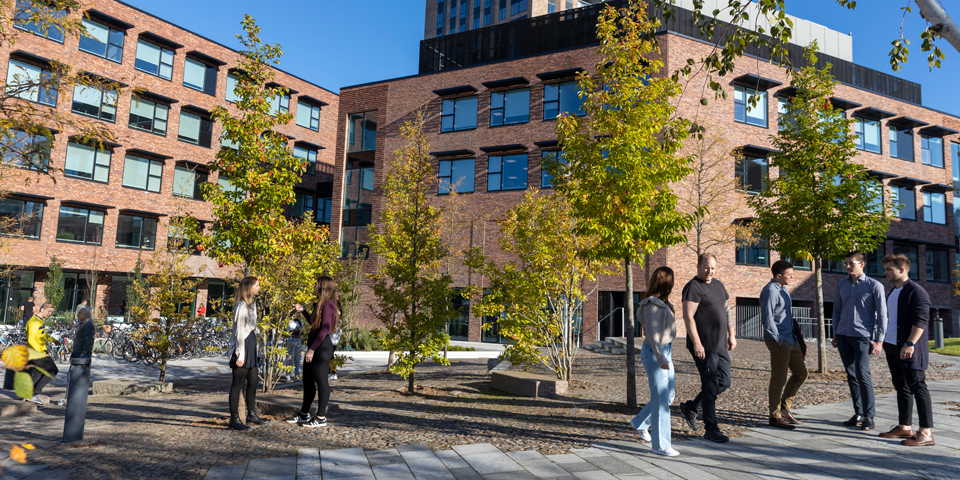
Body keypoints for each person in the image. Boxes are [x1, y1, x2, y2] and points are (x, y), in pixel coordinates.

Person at [679, 253, 736, 443]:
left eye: (712, 268)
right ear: (698, 266)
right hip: (704, 345)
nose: (709, 271)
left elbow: (726, 309)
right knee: (710, 385)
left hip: (720, 344)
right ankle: (711, 429)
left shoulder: (718, 285)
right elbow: (688, 317)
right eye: (706, 267)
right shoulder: (693, 287)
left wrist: (732, 334)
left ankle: (692, 407)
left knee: (724, 381)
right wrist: (696, 342)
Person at [879, 254, 935, 446]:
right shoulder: (893, 291)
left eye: (889, 269)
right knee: (900, 386)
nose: (885, 272)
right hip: (891, 345)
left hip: (909, 347)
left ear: (902, 269)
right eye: (885, 269)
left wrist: (910, 343)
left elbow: (921, 320)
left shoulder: (917, 292)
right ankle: (905, 426)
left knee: (918, 386)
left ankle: (926, 432)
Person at [832, 251, 887, 431]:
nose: (848, 266)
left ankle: (869, 416)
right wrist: (835, 333)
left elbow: (882, 315)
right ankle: (859, 413)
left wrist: (879, 340)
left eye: (851, 263)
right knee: (851, 375)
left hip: (863, 336)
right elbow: (837, 310)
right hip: (843, 335)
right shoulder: (841, 284)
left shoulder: (874, 286)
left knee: (863, 373)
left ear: (862, 264)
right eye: (846, 263)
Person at [629, 267, 679, 457]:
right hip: (654, 352)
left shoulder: (664, 302)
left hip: (666, 351)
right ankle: (661, 445)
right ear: (666, 282)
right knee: (661, 398)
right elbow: (651, 334)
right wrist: (660, 357)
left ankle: (640, 422)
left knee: (669, 396)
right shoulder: (651, 304)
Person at [761, 260, 808, 430]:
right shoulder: (770, 291)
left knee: (801, 373)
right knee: (779, 378)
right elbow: (767, 319)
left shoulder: (784, 289)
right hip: (779, 340)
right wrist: (779, 339)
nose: (792, 277)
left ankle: (784, 409)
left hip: (791, 338)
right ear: (779, 275)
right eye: (789, 274)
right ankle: (774, 416)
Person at [286, 276, 338, 428]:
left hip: (321, 347)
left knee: (322, 382)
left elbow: (325, 330)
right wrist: (303, 311)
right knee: (308, 381)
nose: (314, 285)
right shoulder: (321, 303)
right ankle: (304, 414)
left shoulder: (329, 304)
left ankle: (321, 417)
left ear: (322, 286)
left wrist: (312, 350)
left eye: (316, 283)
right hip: (315, 345)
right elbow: (315, 324)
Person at [226, 276, 264, 431]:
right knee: (238, 384)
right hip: (243, 346)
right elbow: (240, 332)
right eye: (257, 285)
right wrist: (240, 354)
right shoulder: (241, 306)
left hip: (251, 344)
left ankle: (251, 414)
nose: (259, 287)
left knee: (253, 382)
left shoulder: (252, 305)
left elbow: (252, 328)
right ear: (249, 288)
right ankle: (234, 419)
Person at [24, 302, 59, 409]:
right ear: (42, 309)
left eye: (51, 312)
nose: (50, 314)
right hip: (37, 352)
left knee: (38, 373)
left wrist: (53, 340)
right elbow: (31, 339)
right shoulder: (34, 322)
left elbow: (42, 334)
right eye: (49, 311)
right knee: (53, 371)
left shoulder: (39, 320)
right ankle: (34, 393)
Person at [287, 306, 305, 381]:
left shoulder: (300, 322)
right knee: (290, 358)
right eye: (296, 313)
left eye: (298, 313)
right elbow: (291, 331)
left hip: (298, 339)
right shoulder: (289, 321)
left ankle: (297, 374)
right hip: (291, 339)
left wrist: (299, 332)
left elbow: (302, 331)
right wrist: (297, 331)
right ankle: (288, 375)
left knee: (298, 358)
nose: (297, 315)